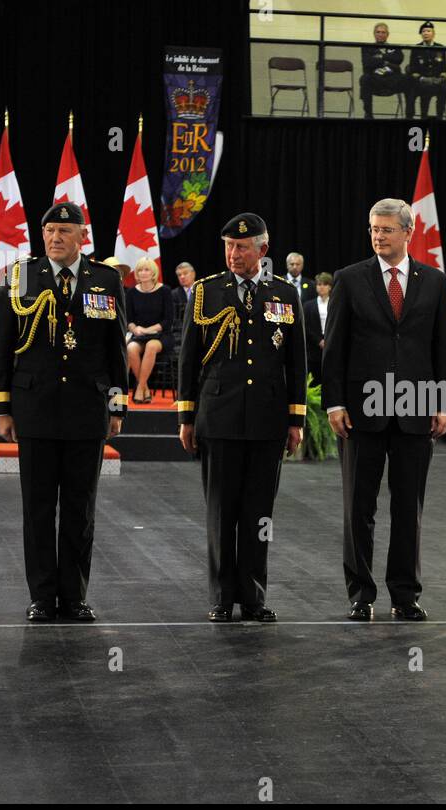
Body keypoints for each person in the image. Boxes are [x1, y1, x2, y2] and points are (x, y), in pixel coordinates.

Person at [0, 202, 129, 622]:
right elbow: (2, 349)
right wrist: (2, 409)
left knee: (79, 508)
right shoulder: (22, 277)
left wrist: (117, 405)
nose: (54, 238)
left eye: (63, 232)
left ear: (82, 237)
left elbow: (115, 347)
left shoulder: (105, 280)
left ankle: (73, 595)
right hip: (35, 407)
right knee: (37, 508)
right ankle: (42, 595)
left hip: (87, 408)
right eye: (49, 230)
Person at [324, 199, 446, 622]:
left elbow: (443, 349)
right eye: (373, 229)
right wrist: (336, 402)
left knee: (408, 509)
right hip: (362, 411)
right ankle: (361, 594)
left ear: (407, 232)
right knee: (358, 508)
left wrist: (444, 402)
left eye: (386, 229)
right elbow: (335, 349)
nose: (378, 236)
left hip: (416, 409)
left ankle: (405, 595)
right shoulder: (349, 279)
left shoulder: (434, 282)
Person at [176, 213, 304, 623]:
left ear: (263, 251)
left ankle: (253, 596)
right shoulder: (205, 293)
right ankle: (221, 596)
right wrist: (186, 415)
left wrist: (295, 418)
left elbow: (296, 361)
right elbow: (188, 358)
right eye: (229, 246)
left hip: (267, 420)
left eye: (243, 247)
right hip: (219, 417)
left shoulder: (284, 293)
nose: (234, 254)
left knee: (258, 514)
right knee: (220, 511)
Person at [124, 257, 174, 403]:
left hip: (161, 335)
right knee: (131, 348)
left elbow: (168, 320)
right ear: (137, 274)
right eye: (140, 270)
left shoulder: (164, 290)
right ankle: (144, 386)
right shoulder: (132, 293)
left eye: (146, 269)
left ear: (153, 272)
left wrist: (147, 330)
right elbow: (129, 320)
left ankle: (139, 388)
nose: (143, 273)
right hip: (139, 335)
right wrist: (135, 328)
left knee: (151, 346)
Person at [361, 22, 406, 119]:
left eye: (383, 32)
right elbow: (368, 63)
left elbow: (399, 58)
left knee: (409, 79)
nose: (380, 34)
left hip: (392, 80)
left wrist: (381, 57)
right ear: (374, 34)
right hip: (375, 80)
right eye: (378, 32)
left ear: (387, 34)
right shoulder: (367, 48)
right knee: (364, 79)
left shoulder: (395, 47)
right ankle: (368, 115)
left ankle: (409, 115)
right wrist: (389, 62)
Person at [407, 21, 446, 119]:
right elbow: (412, 69)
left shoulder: (440, 48)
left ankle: (440, 116)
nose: (426, 33)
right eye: (423, 31)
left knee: (444, 89)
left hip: (436, 81)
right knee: (421, 90)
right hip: (421, 81)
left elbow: (444, 69)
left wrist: (440, 79)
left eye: (428, 31)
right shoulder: (416, 48)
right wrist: (422, 79)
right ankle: (423, 117)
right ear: (421, 34)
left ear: (433, 34)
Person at [303, 272, 331, 384]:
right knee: (315, 378)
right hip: (314, 346)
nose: (321, 287)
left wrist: (329, 339)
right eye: (319, 284)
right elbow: (306, 326)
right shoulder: (308, 305)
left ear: (330, 286)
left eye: (324, 284)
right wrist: (318, 340)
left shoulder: (336, 303)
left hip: (331, 343)